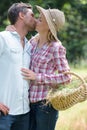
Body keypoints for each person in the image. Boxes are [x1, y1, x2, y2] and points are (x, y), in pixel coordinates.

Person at [21, 6, 71, 130]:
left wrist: (37, 77)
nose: (37, 21)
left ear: (49, 25)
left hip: (45, 105)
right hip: (28, 103)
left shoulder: (56, 47)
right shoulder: (33, 42)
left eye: (40, 20)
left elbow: (67, 77)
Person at [0, 2, 36, 130]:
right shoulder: (3, 38)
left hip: (24, 113)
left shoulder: (30, 46)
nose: (35, 19)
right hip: (3, 113)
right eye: (32, 15)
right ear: (21, 15)